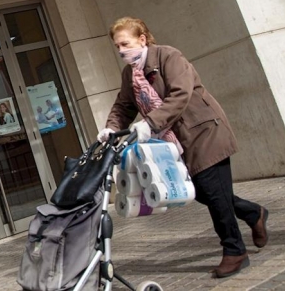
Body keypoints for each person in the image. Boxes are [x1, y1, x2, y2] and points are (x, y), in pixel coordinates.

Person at [97, 17, 268, 279]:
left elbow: (180, 94)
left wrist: (150, 123)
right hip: (177, 141)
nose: (121, 51)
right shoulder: (130, 74)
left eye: (125, 44)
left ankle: (235, 251)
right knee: (202, 192)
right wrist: (110, 128)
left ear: (142, 40)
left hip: (204, 132)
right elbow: (123, 106)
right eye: (117, 46)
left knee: (213, 192)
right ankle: (253, 212)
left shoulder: (168, 57)